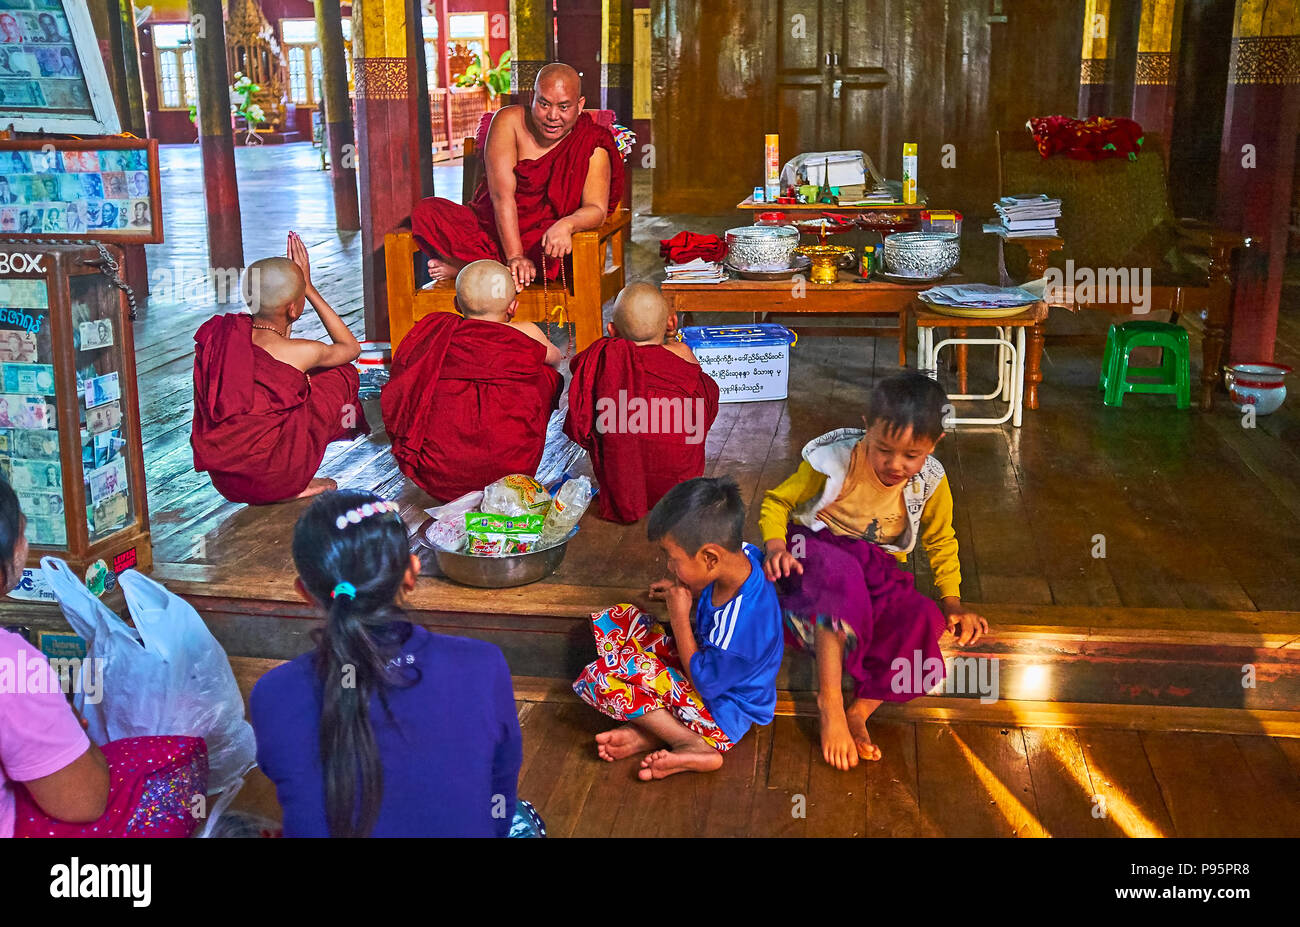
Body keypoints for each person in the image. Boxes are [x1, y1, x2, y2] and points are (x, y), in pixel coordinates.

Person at [249, 489, 542, 837]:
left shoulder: (273, 693)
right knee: (524, 815)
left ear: (304, 592)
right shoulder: (482, 665)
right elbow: (499, 796)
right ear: (411, 573)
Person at [759, 371, 989, 770]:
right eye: (883, 449)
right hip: (817, 551)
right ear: (866, 428)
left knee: (923, 618)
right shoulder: (834, 459)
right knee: (840, 579)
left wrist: (951, 600)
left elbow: (940, 541)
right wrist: (777, 545)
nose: (895, 464)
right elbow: (777, 502)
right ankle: (830, 701)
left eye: (911, 456)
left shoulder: (931, 483)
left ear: (935, 445)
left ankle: (859, 712)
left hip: (879, 568)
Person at [0, 477, 207, 838]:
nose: (25, 543)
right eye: (21, 532)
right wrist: (80, 738)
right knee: (174, 772)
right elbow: (85, 801)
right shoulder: (12, 665)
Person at [573, 477, 784, 780]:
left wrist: (680, 615)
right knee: (620, 618)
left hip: (722, 712)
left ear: (710, 557)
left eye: (674, 560)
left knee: (601, 677)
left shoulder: (740, 626)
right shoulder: (744, 554)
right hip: (702, 669)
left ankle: (690, 743)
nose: (670, 567)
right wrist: (684, 585)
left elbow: (705, 684)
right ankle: (651, 733)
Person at [410, 62, 624, 291]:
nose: (552, 116)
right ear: (532, 97)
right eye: (544, 104)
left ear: (579, 105)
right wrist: (515, 257)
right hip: (493, 228)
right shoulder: (508, 121)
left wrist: (567, 225)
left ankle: (472, 268)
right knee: (427, 211)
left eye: (564, 107)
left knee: (553, 250)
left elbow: (596, 209)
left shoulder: (592, 141)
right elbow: (501, 196)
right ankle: (498, 268)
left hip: (545, 239)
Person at [191, 231, 369, 504]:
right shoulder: (303, 351)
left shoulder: (220, 336)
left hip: (227, 483)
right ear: (293, 309)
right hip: (274, 478)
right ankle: (293, 480)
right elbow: (351, 349)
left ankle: (285, 472)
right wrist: (308, 288)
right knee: (340, 374)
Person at [381, 259, 562, 501]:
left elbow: (406, 380)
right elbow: (556, 359)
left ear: (456, 304)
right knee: (546, 375)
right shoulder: (527, 331)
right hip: (511, 478)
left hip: (439, 479)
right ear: (514, 307)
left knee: (428, 374)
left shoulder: (439, 334)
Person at [565, 282, 719, 523]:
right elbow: (705, 402)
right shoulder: (682, 352)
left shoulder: (604, 359)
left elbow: (581, 421)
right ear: (671, 323)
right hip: (682, 491)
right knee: (699, 397)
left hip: (620, 482)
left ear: (612, 330)